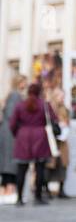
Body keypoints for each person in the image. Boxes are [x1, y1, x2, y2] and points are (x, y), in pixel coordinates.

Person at [9, 82, 57, 206]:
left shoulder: (20, 105)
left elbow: (12, 124)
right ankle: (38, 197)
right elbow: (53, 119)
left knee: (21, 169)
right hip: (40, 136)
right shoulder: (44, 105)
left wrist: (18, 134)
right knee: (40, 168)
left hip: (23, 137)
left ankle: (19, 198)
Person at [0, 74, 27, 205]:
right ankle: (9, 191)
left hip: (7, 132)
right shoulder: (16, 96)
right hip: (11, 133)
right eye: (24, 82)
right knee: (11, 161)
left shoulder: (11, 95)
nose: (25, 84)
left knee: (7, 161)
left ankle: (6, 189)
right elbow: (13, 116)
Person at [47, 87, 72, 200]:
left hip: (62, 141)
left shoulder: (65, 109)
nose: (62, 98)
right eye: (60, 96)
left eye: (63, 96)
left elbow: (67, 122)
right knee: (49, 165)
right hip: (51, 141)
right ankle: (46, 189)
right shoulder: (48, 109)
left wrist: (65, 125)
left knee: (62, 165)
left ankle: (61, 189)